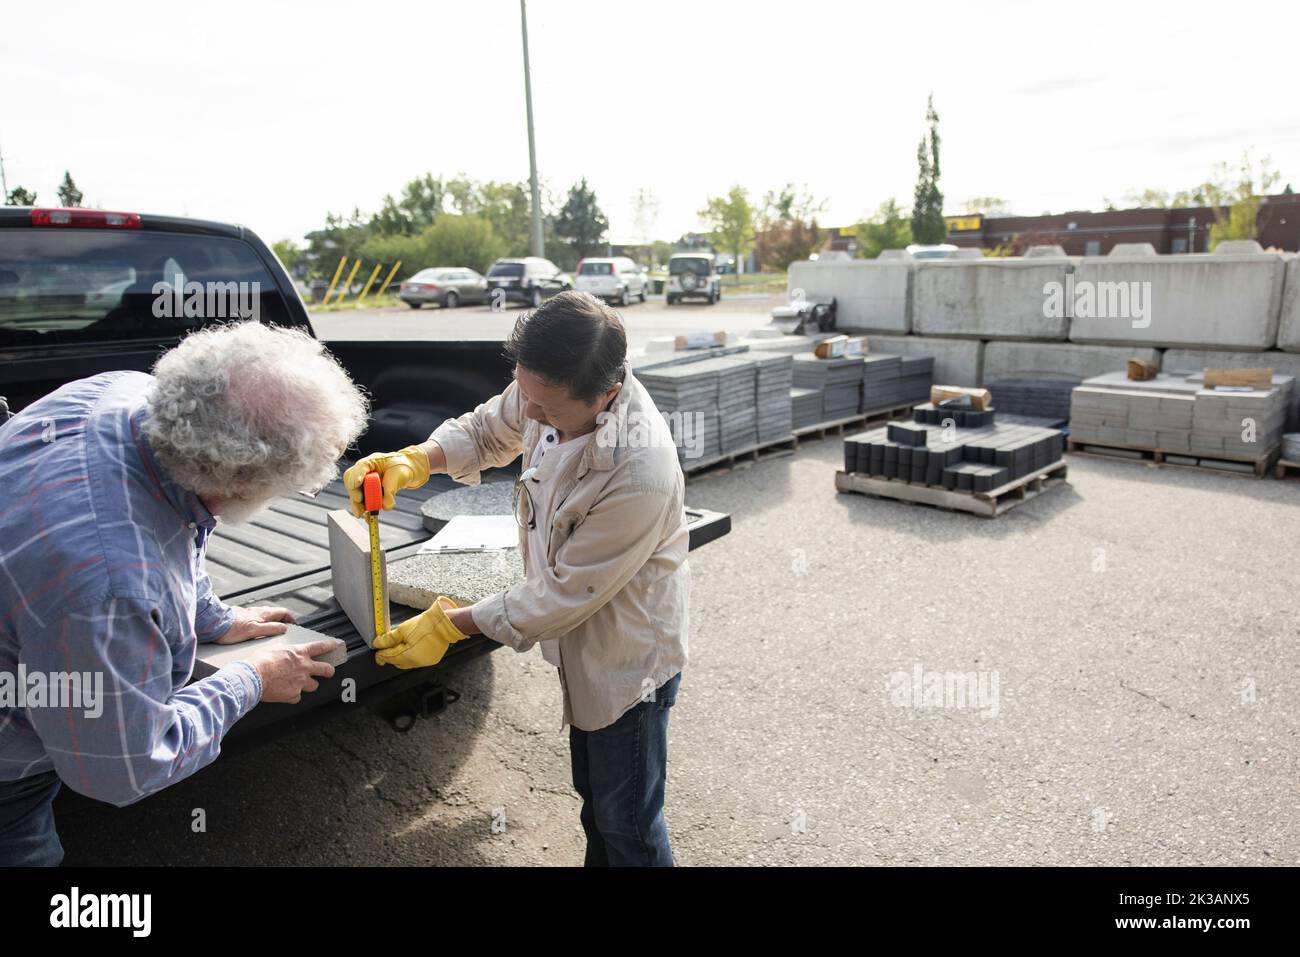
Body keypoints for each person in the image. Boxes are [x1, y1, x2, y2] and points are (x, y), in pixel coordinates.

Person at [0, 321, 368, 866]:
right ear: (239, 483)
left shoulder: (121, 395)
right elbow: (125, 768)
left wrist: (210, 617)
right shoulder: (109, 588)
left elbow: (177, 523)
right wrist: (252, 679)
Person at [346, 291, 689, 866]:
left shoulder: (638, 471)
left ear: (607, 392)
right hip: (587, 646)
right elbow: (489, 428)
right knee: (597, 807)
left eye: (546, 409)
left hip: (627, 662)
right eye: (525, 394)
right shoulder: (551, 387)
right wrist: (417, 459)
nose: (529, 415)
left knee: (629, 823)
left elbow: (562, 594)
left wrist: (453, 625)